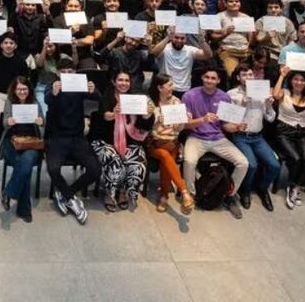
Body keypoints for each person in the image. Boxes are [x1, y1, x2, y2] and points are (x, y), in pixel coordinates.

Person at [182, 69, 250, 219]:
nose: (209, 80)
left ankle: (229, 195)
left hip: (218, 138)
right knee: (189, 161)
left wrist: (236, 127)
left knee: (243, 163)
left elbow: (226, 126)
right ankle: (191, 195)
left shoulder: (224, 97)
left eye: (213, 78)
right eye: (207, 77)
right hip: (196, 137)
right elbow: (185, 124)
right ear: (202, 77)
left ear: (218, 81)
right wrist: (202, 119)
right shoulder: (189, 95)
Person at [45, 58, 100, 225]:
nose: (67, 74)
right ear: (57, 73)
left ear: (75, 73)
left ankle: (66, 194)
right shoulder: (52, 86)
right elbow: (47, 99)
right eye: (63, 72)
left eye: (70, 71)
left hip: (77, 137)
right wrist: (54, 93)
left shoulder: (79, 85)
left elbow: (97, 98)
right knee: (53, 169)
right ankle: (71, 199)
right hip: (56, 138)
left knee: (95, 169)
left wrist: (93, 90)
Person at [88, 71, 150, 212]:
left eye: (127, 80)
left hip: (129, 140)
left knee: (139, 161)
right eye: (120, 80)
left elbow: (143, 126)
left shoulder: (135, 99)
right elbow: (103, 117)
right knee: (114, 159)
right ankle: (109, 192)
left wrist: (147, 116)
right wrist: (114, 114)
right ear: (113, 82)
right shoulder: (106, 97)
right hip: (104, 140)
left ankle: (124, 190)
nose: (124, 83)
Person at [227, 64, 280, 211]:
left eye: (250, 74)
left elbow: (270, 118)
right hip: (240, 136)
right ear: (238, 78)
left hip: (258, 137)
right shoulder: (231, 94)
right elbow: (228, 119)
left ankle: (262, 189)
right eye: (244, 75)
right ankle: (245, 191)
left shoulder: (261, 92)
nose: (248, 77)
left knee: (275, 165)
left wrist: (269, 105)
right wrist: (243, 103)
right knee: (252, 165)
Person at [271, 66, 305, 209]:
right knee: (296, 158)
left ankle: (295, 186)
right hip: (283, 131)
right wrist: (282, 75)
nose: (299, 82)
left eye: (302, 80)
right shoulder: (284, 92)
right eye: (296, 79)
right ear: (291, 81)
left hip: (302, 132)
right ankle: (292, 186)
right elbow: (275, 95)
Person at [0, 77, 43, 223]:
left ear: (29, 89)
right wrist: (8, 122)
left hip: (31, 142)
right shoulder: (10, 102)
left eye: (24, 89)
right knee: (24, 167)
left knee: (25, 162)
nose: (22, 92)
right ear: (14, 90)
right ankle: (24, 209)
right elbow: (4, 124)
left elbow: (43, 122)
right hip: (12, 142)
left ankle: (8, 192)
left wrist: (40, 122)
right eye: (19, 89)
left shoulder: (34, 102)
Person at [146, 73, 194, 213]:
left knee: (166, 157)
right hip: (154, 141)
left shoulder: (176, 102)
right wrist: (151, 117)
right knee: (165, 155)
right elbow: (145, 125)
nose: (173, 88)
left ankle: (165, 195)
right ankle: (182, 192)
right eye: (170, 85)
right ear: (160, 88)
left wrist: (183, 120)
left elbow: (178, 129)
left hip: (172, 141)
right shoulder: (150, 102)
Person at [150, 27, 213, 93]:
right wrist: (167, 37)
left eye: (182, 38)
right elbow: (154, 53)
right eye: (176, 37)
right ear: (172, 37)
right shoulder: (165, 48)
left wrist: (202, 41)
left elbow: (208, 55)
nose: (179, 40)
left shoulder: (190, 50)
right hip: (166, 88)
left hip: (184, 89)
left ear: (186, 39)